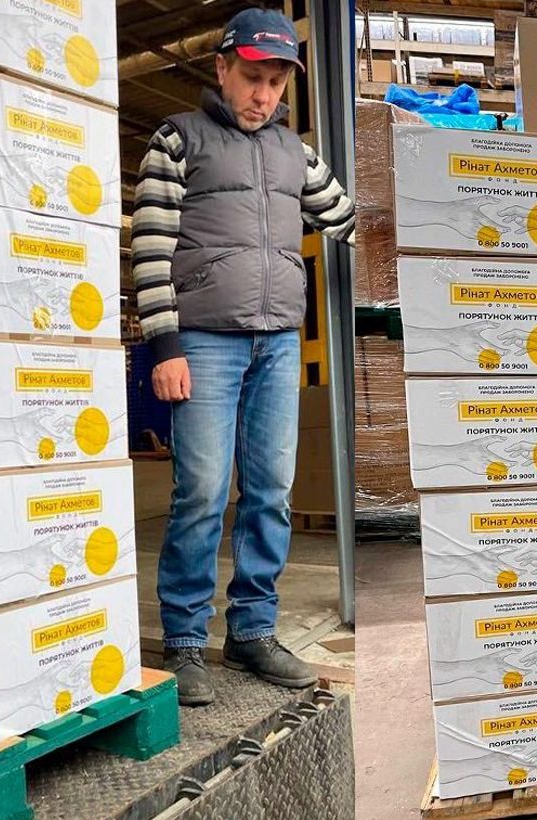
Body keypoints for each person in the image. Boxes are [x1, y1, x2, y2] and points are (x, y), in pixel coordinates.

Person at [132, 8, 355, 706]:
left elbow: (347, 218)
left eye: (276, 82)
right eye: (253, 78)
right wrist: (165, 345)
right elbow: (150, 246)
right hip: (203, 341)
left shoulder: (295, 154)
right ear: (223, 67)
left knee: (271, 492)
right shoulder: (179, 140)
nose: (263, 95)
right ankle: (185, 640)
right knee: (201, 491)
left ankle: (253, 631)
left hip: (279, 341)